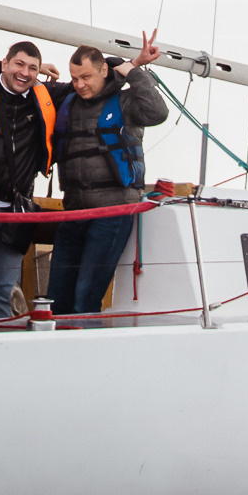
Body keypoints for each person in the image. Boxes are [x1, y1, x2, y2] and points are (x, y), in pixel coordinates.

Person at [46, 33, 168, 317]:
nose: (80, 85)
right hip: (74, 211)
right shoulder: (68, 100)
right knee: (56, 302)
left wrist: (133, 69)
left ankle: (89, 357)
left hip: (113, 212)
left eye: (86, 77)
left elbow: (158, 112)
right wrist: (39, 68)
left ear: (104, 71)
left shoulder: (126, 102)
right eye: (75, 78)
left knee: (85, 299)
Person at [0, 40, 67, 321]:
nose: (24, 73)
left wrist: (127, 66)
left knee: (2, 290)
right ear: (5, 64)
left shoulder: (45, 95)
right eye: (19, 64)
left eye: (32, 68)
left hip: (16, 214)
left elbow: (92, 81)